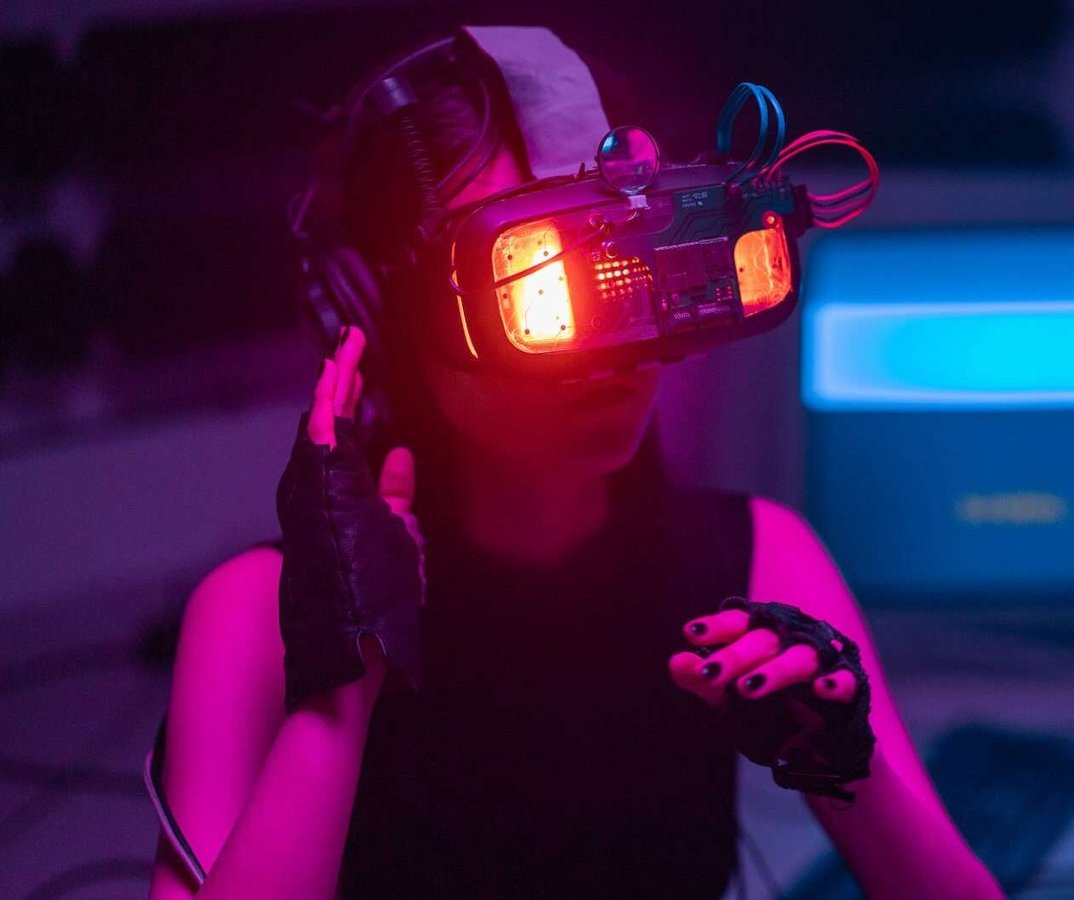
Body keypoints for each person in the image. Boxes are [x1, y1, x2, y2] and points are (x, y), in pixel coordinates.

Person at [146, 26, 1002, 900]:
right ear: (380, 318)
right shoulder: (256, 618)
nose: (609, 351)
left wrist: (845, 775)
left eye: (625, 265)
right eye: (536, 283)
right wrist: (339, 692)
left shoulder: (759, 565)